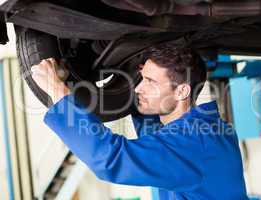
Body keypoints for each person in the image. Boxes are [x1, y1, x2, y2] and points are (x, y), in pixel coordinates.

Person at [31, 43, 248, 200]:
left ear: (182, 91)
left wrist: (58, 90)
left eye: (150, 81)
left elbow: (110, 159)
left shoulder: (193, 143)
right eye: (142, 78)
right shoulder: (208, 128)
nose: (137, 87)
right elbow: (151, 130)